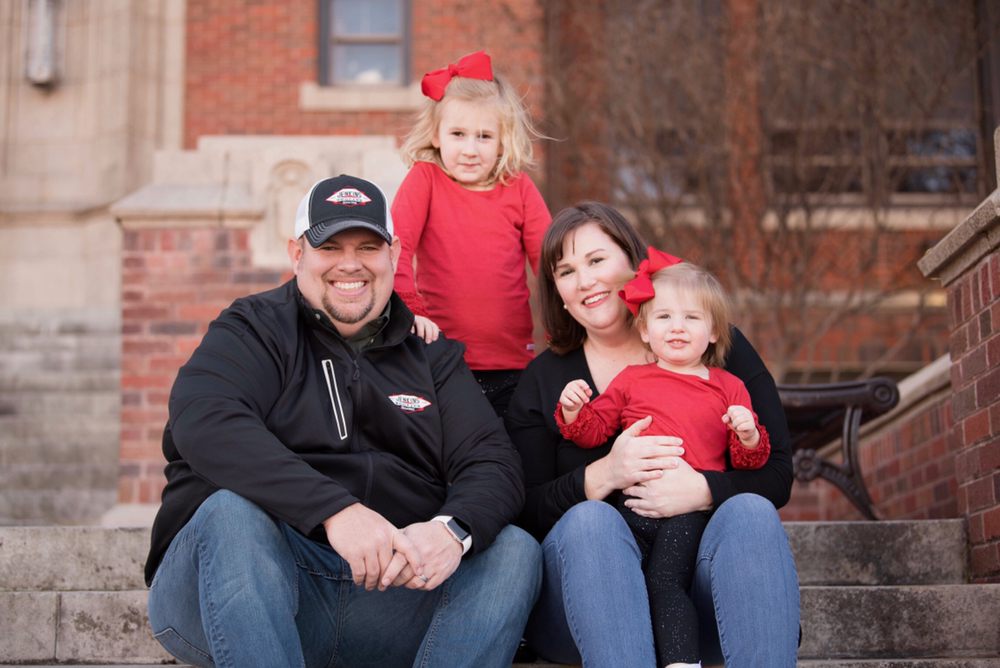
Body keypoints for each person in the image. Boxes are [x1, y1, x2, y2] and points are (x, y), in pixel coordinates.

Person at [145, 174, 542, 668]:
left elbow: (493, 460)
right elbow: (205, 420)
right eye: (329, 246)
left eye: (368, 246)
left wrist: (450, 529)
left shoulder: (431, 356)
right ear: (296, 254)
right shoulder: (253, 328)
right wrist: (336, 510)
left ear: (394, 254)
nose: (350, 264)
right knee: (231, 514)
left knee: (512, 550)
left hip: (392, 596)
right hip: (242, 588)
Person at [505, 201, 800, 667]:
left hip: (697, 590)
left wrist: (704, 490)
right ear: (557, 292)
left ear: (634, 264)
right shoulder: (546, 382)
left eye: (597, 260)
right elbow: (522, 510)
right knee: (590, 520)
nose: (585, 281)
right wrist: (601, 475)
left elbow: (779, 472)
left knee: (751, 511)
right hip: (583, 605)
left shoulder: (716, 347)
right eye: (566, 271)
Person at [556, 254, 771, 668]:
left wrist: (748, 433)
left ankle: (681, 662)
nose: (677, 327)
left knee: (665, 582)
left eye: (692, 318)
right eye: (664, 317)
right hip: (629, 507)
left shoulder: (729, 386)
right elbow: (593, 431)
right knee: (621, 578)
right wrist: (571, 411)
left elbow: (748, 462)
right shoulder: (633, 379)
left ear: (712, 332)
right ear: (645, 329)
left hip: (686, 515)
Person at [392, 50, 551, 416]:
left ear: (502, 140)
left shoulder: (518, 187)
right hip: (441, 356)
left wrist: (567, 324)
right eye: (458, 134)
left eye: (483, 136)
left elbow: (551, 260)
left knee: (513, 457)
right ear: (436, 134)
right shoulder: (425, 180)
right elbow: (396, 249)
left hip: (513, 361)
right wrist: (410, 310)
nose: (469, 149)